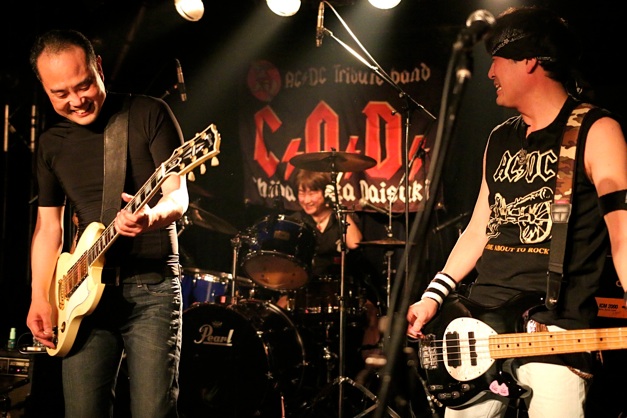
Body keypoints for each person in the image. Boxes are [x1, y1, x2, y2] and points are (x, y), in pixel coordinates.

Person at [406, 6, 627, 418]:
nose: (490, 72)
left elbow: (623, 237)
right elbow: (479, 229)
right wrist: (433, 296)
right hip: (478, 325)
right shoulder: (499, 138)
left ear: (529, 61)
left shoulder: (596, 130)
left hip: (556, 328)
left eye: (497, 59)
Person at [25, 29, 188, 418]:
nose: (76, 101)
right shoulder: (51, 144)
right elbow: (49, 229)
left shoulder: (148, 113)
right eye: (60, 94)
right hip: (80, 294)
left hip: (150, 287)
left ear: (98, 66)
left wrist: (150, 217)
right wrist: (39, 296)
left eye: (83, 85)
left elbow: (177, 196)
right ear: (44, 88)